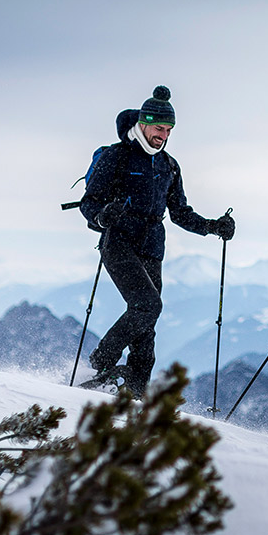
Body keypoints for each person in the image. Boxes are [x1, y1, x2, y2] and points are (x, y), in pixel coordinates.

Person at [78, 86, 236, 398]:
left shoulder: (169, 166)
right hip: (118, 241)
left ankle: (135, 388)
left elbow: (180, 213)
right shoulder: (117, 157)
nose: (162, 136)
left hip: (152, 247)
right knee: (147, 305)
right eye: (158, 128)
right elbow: (89, 203)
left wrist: (213, 227)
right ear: (143, 123)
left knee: (147, 323)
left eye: (168, 130)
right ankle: (100, 366)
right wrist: (101, 217)